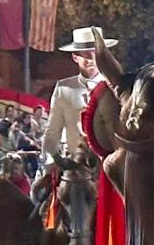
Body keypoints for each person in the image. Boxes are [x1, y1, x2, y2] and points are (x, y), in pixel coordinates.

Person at [41, 26, 118, 164]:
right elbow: (53, 129)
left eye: (95, 54)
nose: (91, 59)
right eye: (86, 55)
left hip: (108, 161)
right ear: (75, 57)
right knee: (42, 183)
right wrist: (54, 158)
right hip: (74, 161)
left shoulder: (113, 86)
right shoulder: (64, 88)